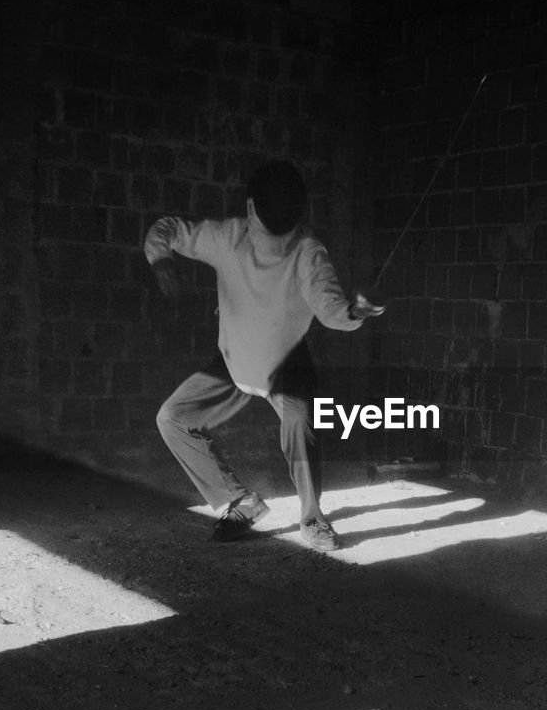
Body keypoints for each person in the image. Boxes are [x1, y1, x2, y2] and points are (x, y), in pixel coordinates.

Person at [145, 159, 384, 549]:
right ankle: (240, 503)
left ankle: (312, 518)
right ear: (254, 208)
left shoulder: (307, 252)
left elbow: (331, 310)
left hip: (286, 362)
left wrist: (355, 311)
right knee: (173, 417)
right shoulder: (229, 238)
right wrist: (160, 258)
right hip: (236, 359)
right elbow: (166, 230)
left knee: (299, 422)